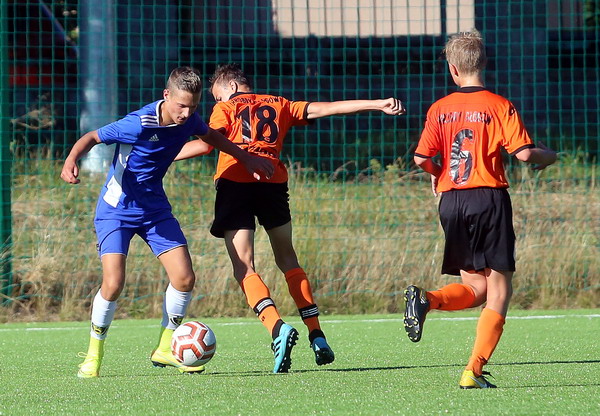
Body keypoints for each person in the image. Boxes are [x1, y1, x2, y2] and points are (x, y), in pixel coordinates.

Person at [175, 63, 405, 373]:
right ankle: (317, 334)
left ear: (231, 87)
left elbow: (207, 143)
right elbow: (326, 108)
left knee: (244, 266)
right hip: (273, 183)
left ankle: (277, 328)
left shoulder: (226, 108)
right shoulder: (279, 104)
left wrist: (162, 154)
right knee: (288, 259)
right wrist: (377, 104)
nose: (217, 102)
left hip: (235, 182)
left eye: (217, 96)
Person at [61, 66, 273, 378]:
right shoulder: (137, 123)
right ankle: (93, 354)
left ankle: (163, 348)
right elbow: (92, 137)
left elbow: (211, 136)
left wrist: (246, 157)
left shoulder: (190, 119)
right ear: (166, 96)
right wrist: (70, 161)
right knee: (113, 283)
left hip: (155, 211)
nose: (187, 113)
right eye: (181, 105)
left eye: (193, 106)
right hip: (116, 210)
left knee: (185, 278)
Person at [406, 30, 557, 389]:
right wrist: (549, 156)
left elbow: (421, 158)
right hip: (488, 198)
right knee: (499, 290)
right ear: (484, 64)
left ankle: (428, 299)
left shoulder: (439, 108)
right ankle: (473, 370)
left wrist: (439, 173)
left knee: (475, 287)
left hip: (452, 201)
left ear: (453, 69)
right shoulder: (499, 105)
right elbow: (524, 154)